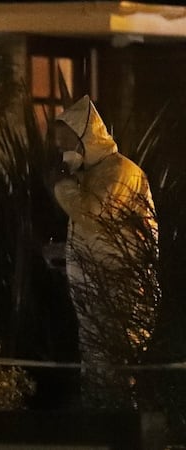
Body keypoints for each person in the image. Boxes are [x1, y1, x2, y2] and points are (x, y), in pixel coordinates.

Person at [52, 95, 158, 408]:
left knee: (118, 374)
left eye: (67, 142)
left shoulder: (120, 172)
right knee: (99, 373)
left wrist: (63, 185)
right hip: (96, 296)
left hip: (119, 294)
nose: (62, 151)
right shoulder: (93, 174)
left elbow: (93, 215)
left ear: (86, 138)